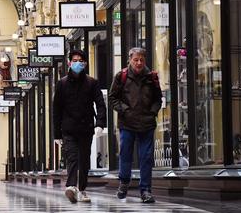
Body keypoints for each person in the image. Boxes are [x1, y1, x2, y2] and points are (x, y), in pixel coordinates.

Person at [108, 47, 162, 203]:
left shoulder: (152, 77)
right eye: (135, 60)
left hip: (146, 123)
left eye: (141, 60)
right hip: (127, 123)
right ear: (130, 60)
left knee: (145, 157)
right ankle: (124, 182)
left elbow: (158, 99)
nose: (139, 63)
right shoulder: (121, 76)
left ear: (145, 61)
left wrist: (152, 112)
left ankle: (145, 190)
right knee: (125, 154)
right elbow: (112, 98)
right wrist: (124, 110)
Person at [53, 49, 106, 203]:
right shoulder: (62, 84)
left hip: (86, 127)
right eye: (74, 60)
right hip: (68, 129)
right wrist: (57, 133)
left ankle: (82, 189)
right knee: (72, 157)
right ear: (69, 63)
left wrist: (100, 123)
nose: (77, 63)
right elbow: (57, 109)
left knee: (84, 161)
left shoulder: (92, 83)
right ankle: (71, 187)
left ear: (85, 63)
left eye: (80, 61)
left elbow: (100, 104)